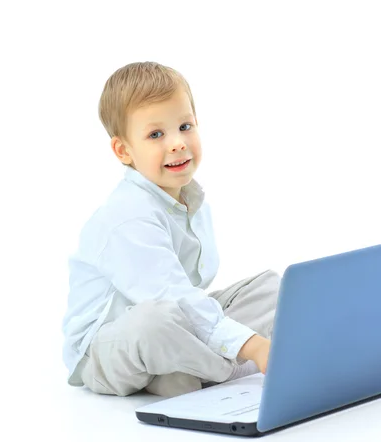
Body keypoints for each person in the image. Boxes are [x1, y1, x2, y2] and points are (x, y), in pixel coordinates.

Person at [61, 61, 280, 397]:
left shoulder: (191, 199)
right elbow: (170, 297)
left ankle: (179, 371)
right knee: (153, 323)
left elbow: (191, 299)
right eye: (156, 134)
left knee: (270, 288)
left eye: (185, 126)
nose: (177, 143)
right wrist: (252, 347)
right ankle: (230, 368)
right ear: (124, 150)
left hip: (177, 319)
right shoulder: (128, 215)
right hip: (105, 351)